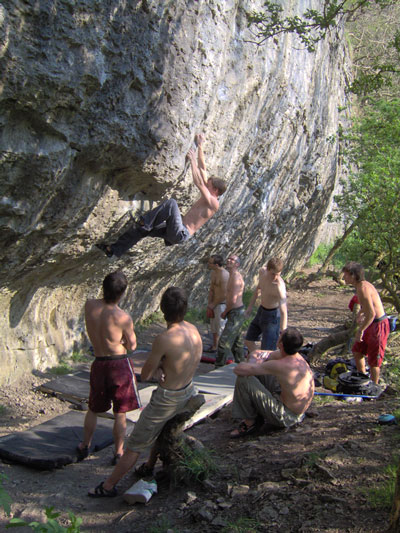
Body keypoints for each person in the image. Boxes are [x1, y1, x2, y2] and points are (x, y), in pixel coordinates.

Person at [88, 286, 202, 498]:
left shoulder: (165, 338)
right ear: (185, 309)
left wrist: (159, 367)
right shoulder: (194, 330)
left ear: (162, 309)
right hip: (188, 390)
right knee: (163, 428)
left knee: (135, 444)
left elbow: (147, 374)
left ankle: (108, 486)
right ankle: (149, 465)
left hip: (168, 396)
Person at [96, 134, 227, 258]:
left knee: (171, 204)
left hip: (181, 232)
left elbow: (199, 183)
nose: (206, 184)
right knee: (142, 230)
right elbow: (203, 168)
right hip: (175, 229)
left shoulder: (214, 203)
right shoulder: (210, 194)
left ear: (215, 190)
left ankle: (145, 221)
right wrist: (200, 145)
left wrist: (192, 161)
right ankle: (113, 250)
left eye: (209, 185)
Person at [77, 271, 141, 464]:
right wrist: (121, 339)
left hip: (99, 362)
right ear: (122, 294)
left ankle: (85, 445)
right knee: (120, 412)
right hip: (118, 363)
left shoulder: (89, 305)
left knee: (93, 408)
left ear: (103, 288)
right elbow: (132, 345)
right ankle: (118, 452)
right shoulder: (123, 317)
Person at [230, 327, 314, 438]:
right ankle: (256, 409)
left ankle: (250, 423)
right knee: (260, 372)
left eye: (280, 335)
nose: (278, 335)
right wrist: (256, 359)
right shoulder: (296, 358)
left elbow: (238, 370)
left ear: (281, 344)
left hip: (286, 416)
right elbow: (262, 353)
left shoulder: (280, 365)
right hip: (296, 411)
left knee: (244, 378)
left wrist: (253, 363)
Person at [342, 262, 390, 384]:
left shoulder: (364, 288)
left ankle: (374, 386)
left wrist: (360, 330)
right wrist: (360, 313)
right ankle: (362, 378)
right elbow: (368, 306)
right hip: (371, 322)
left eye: (346, 275)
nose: (344, 278)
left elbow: (372, 313)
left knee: (374, 361)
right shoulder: (360, 286)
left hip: (379, 325)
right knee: (357, 350)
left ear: (353, 275)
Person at [244, 257, 288, 353]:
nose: (275, 277)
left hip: (273, 316)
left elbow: (284, 310)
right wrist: (250, 307)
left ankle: (264, 363)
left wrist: (283, 331)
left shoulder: (279, 287)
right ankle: (259, 360)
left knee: (267, 350)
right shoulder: (262, 272)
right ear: (267, 269)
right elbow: (258, 290)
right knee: (248, 341)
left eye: (278, 274)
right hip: (261, 311)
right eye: (273, 274)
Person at [215, 255, 245, 367]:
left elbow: (233, 300)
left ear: (237, 264)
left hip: (236, 312)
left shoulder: (236, 278)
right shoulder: (231, 275)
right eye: (228, 258)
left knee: (223, 342)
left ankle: (218, 367)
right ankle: (241, 365)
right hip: (234, 312)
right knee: (237, 344)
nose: (229, 260)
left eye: (232, 260)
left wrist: (225, 312)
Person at [205, 254, 229, 352]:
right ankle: (215, 346)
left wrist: (213, 304)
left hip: (222, 304)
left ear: (216, 264)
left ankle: (222, 349)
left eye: (210, 263)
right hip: (214, 304)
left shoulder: (224, 275)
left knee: (220, 327)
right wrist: (209, 304)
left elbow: (224, 294)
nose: (208, 264)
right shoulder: (213, 273)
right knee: (214, 327)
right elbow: (212, 289)